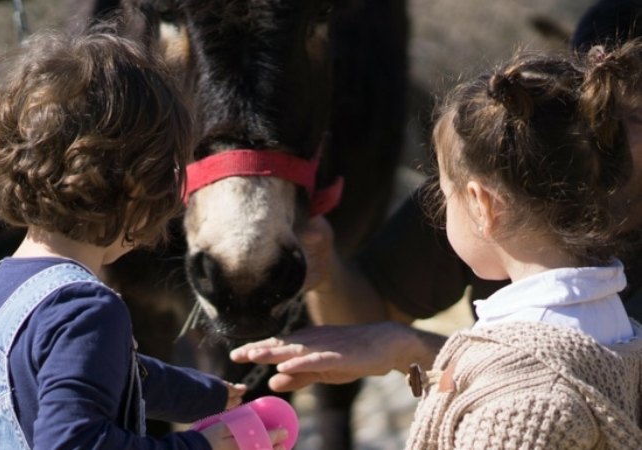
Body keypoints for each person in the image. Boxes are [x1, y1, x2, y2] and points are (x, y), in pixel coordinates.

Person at [230, 0, 642, 393]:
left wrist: (416, 350)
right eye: (594, 109)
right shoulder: (512, 180)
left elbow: (595, 389)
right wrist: (325, 266)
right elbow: (369, 310)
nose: (607, 137)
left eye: (634, 117)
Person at [0, 28, 288, 450]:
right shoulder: (88, 309)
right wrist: (203, 446)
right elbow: (76, 444)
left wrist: (208, 396)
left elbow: (100, 371)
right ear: (142, 189)